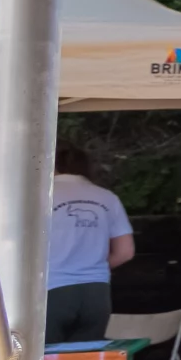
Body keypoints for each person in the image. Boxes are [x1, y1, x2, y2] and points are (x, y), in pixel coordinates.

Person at [45, 146, 134, 347]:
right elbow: (125, 252)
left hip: (52, 290)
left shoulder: (40, 196)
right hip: (96, 294)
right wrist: (92, 268)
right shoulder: (107, 198)